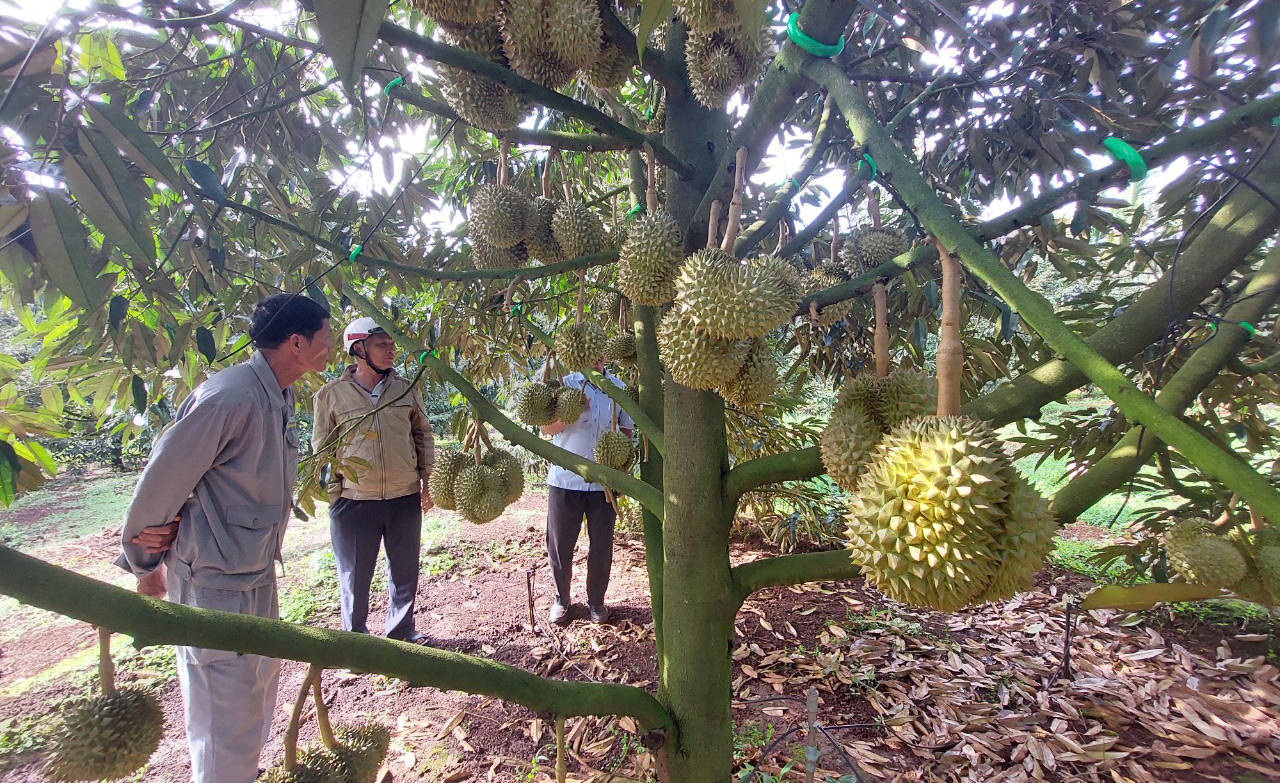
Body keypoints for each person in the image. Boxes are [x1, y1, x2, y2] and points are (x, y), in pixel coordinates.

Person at [117, 293, 331, 783]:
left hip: (254, 575)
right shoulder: (229, 396)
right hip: (214, 584)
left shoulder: (280, 393)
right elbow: (165, 477)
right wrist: (145, 566)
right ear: (296, 342)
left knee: (256, 700)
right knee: (223, 724)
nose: (331, 348)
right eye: (325, 337)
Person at [312, 317, 435, 645]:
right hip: (354, 500)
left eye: (392, 345)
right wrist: (335, 494)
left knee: (405, 572)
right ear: (358, 348)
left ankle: (401, 633)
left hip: (403, 496)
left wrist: (427, 482)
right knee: (354, 577)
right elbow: (322, 450)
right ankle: (356, 645)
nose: (391, 350)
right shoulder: (330, 396)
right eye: (382, 345)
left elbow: (422, 435)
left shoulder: (407, 387)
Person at [538, 356, 634, 624]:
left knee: (602, 545)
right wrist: (571, 412)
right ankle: (562, 600)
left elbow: (626, 431)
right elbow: (546, 429)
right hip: (565, 480)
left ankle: (596, 602)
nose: (597, 358)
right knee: (560, 545)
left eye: (601, 352)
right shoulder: (565, 385)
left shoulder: (617, 387)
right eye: (591, 353)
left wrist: (621, 474)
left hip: (604, 483)